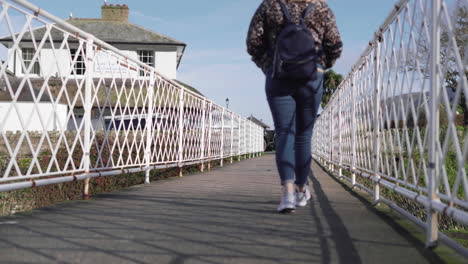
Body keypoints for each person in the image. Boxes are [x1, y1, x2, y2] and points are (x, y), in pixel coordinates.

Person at [246, 0, 342, 213]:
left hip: (278, 76)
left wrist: (268, 66)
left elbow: (253, 42)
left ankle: (287, 193)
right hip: (311, 78)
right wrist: (319, 66)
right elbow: (335, 44)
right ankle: (301, 189)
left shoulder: (270, 5)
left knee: (283, 134)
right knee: (303, 135)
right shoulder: (320, 7)